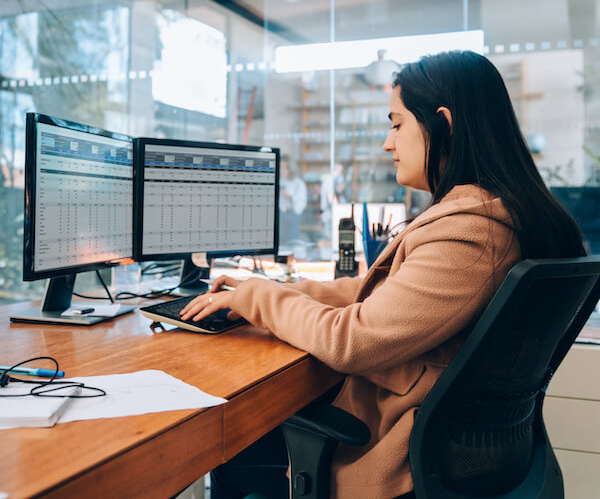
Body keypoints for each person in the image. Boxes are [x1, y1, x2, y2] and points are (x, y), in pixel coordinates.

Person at [180, 51, 586, 499]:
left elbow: (350, 342)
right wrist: (271, 291)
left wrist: (259, 299)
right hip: (448, 450)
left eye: (396, 124)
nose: (387, 144)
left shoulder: (473, 234)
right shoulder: (497, 216)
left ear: (443, 124)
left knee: (235, 447)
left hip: (396, 455)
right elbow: (373, 292)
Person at [278, 157, 307, 246]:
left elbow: (301, 204)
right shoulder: (276, 181)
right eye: (280, 167)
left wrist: (289, 196)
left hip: (292, 215)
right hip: (278, 216)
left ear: (290, 169)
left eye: (285, 167)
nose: (282, 171)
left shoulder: (297, 183)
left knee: (291, 244)